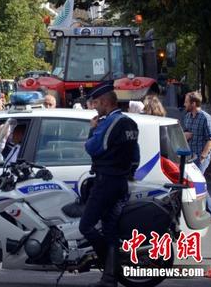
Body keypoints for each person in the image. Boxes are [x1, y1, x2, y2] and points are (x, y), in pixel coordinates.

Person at [80, 81, 140, 287]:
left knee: (86, 226)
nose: (95, 108)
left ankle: (109, 266)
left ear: (105, 102)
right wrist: (128, 173)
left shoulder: (110, 123)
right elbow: (135, 155)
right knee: (110, 230)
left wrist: (92, 130)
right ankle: (109, 278)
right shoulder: (130, 123)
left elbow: (93, 148)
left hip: (106, 182)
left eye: (96, 103)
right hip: (120, 183)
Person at [183, 92, 211, 223]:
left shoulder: (205, 117)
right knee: (197, 184)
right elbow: (185, 133)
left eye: (186, 102)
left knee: (198, 183)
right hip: (190, 157)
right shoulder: (187, 117)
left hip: (201, 157)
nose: (184, 104)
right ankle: (209, 213)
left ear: (193, 103)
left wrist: (203, 155)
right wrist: (185, 135)